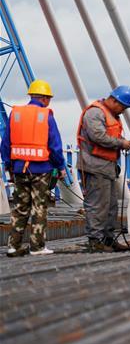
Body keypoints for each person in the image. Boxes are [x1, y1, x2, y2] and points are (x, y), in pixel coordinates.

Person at [1, 80, 66, 256]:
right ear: (44, 98)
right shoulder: (46, 116)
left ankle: (13, 245)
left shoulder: (16, 114)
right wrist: (61, 167)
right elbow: (55, 146)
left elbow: (5, 145)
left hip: (19, 169)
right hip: (41, 170)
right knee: (39, 207)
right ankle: (37, 247)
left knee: (21, 207)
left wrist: (9, 166)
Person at [76, 85, 130, 252]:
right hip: (94, 166)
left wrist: (122, 141)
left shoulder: (111, 115)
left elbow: (110, 135)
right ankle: (95, 240)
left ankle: (108, 239)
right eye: (123, 106)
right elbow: (98, 136)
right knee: (97, 205)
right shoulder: (95, 113)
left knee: (111, 206)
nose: (123, 111)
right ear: (115, 100)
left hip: (107, 167)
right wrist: (121, 143)